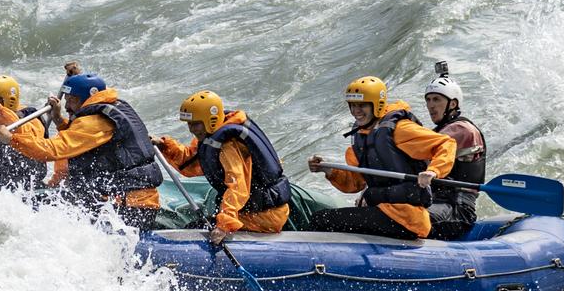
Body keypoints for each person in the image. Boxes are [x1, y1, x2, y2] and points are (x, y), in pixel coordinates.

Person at [0, 73, 162, 230]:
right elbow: (82, 139)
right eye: (66, 100)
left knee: (39, 209)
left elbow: (51, 151)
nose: (67, 106)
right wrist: (58, 119)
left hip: (129, 208)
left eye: (72, 100)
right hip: (129, 202)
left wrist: (11, 139)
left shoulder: (96, 121)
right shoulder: (112, 107)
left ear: (86, 98)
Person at [306, 75, 456, 239]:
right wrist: (329, 171)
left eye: (362, 105)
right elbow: (355, 183)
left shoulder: (400, 129)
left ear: (376, 105)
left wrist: (434, 171)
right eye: (353, 105)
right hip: (383, 211)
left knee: (321, 220)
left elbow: (446, 143)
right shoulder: (362, 136)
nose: (356, 111)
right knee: (324, 218)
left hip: (406, 218)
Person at [153, 90, 290, 244]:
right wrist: (165, 145)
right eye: (189, 124)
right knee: (197, 225)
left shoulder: (228, 146)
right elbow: (190, 164)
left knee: (197, 228)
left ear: (210, 120)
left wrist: (224, 225)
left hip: (264, 216)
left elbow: (238, 187)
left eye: (196, 124)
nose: (192, 129)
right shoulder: (212, 137)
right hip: (253, 212)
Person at [423, 62, 487, 240]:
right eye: (428, 100)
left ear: (452, 104)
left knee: (407, 218)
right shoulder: (439, 131)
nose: (430, 105)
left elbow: (421, 151)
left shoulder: (462, 130)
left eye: (437, 99)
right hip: (438, 203)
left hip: (457, 209)